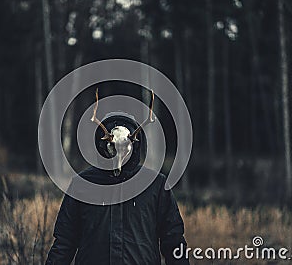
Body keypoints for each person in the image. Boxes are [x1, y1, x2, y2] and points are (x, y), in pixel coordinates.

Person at [46, 112, 190, 265]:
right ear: (103, 144)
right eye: (113, 146)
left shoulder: (155, 185)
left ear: (134, 145)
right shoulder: (82, 185)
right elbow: (64, 242)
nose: (119, 152)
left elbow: (174, 240)